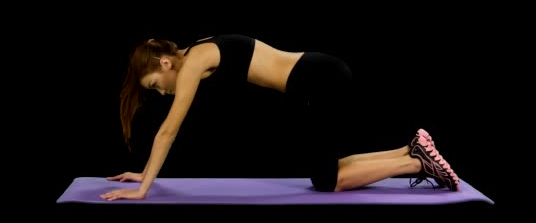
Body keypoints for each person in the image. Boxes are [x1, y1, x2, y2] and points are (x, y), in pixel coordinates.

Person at [99, 34, 459, 201]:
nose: (162, 93)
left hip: (318, 78)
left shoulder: (192, 61)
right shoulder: (199, 50)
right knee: (326, 169)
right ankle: (409, 149)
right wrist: (146, 172)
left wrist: (144, 188)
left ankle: (414, 164)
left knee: (327, 181)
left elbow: (169, 130)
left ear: (165, 63)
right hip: (316, 76)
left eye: (155, 85)